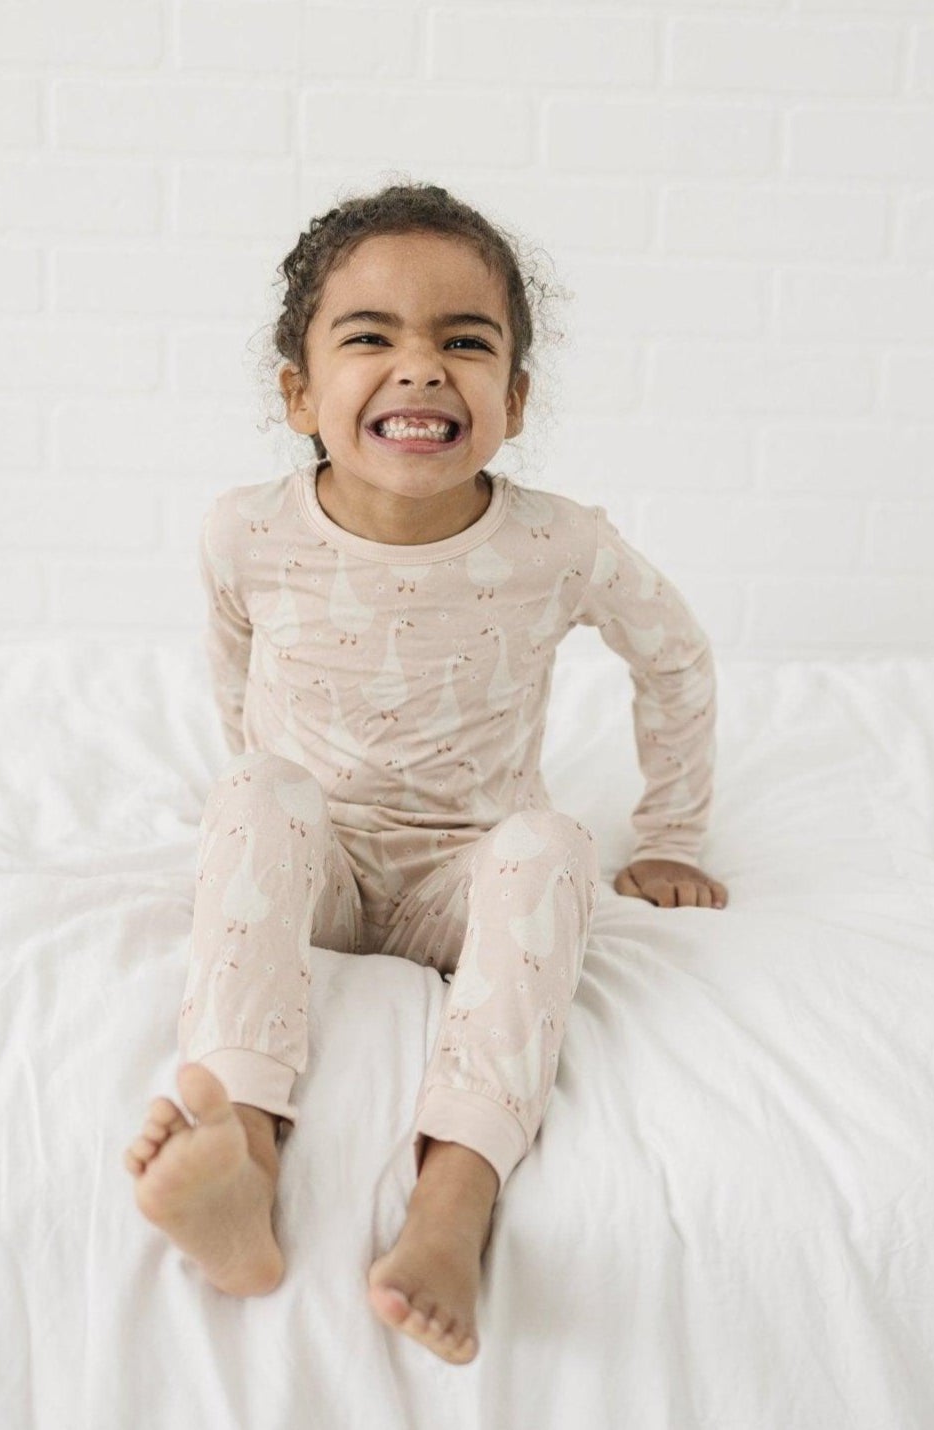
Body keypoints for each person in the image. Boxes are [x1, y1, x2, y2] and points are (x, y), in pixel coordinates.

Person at [124, 180, 728, 1366]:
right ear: (298, 393)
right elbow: (234, 680)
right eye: (368, 337)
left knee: (551, 844)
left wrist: (669, 833)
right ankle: (241, 1159)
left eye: (464, 341)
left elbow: (677, 660)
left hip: (464, 870)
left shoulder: (558, 543)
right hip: (323, 866)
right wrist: (265, 832)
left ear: (514, 397)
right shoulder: (246, 530)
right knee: (252, 788)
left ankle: (451, 1203)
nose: (419, 368)